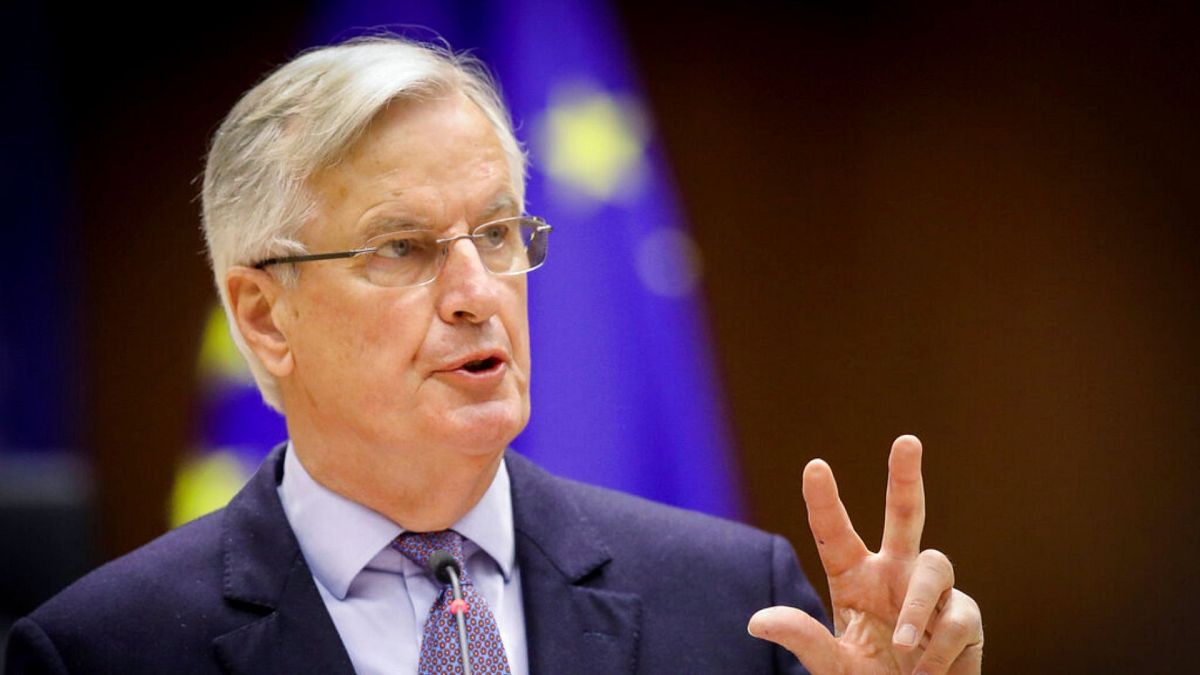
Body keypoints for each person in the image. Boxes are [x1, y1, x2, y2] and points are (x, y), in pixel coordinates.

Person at [3, 36, 983, 674]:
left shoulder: (734, 604)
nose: (478, 293)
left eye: (499, 234)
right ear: (263, 317)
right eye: (402, 247)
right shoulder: (99, 653)